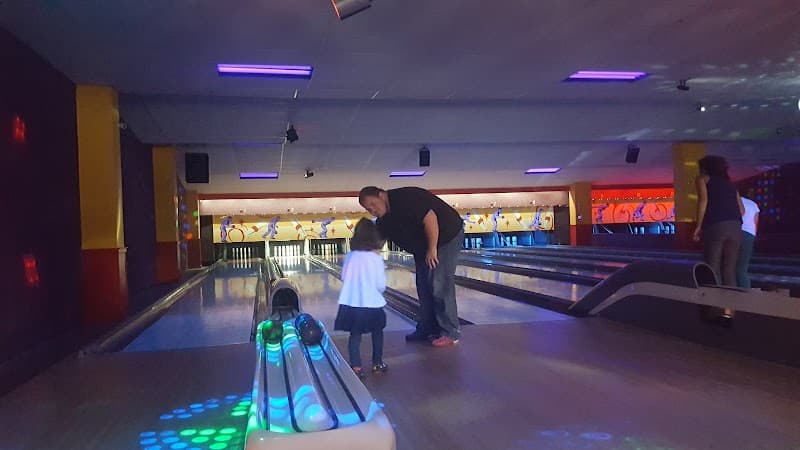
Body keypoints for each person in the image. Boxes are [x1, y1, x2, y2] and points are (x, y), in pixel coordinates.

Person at [359, 186, 464, 347]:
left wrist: (432, 249)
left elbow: (430, 219)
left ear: (381, 195)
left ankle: (450, 332)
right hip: (423, 247)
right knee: (423, 286)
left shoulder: (405, 198)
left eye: (373, 204)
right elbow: (377, 243)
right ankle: (427, 328)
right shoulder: (384, 221)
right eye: (368, 209)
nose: (372, 210)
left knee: (439, 283)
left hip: (446, 237)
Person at [334, 218, 388, 378]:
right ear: (375, 238)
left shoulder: (350, 256)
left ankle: (356, 366)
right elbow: (380, 284)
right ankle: (377, 363)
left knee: (355, 335)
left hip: (352, 304)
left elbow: (344, 276)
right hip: (373, 304)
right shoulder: (376, 258)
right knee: (377, 332)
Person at [692, 155, 744, 324]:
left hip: (715, 226)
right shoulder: (731, 185)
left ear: (705, 168)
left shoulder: (703, 179)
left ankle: (713, 310)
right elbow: (742, 210)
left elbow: (703, 202)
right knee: (729, 270)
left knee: (712, 269)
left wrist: (699, 226)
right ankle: (729, 314)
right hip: (736, 227)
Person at [736, 189, 760, 288]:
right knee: (742, 269)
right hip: (750, 234)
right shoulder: (755, 205)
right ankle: (746, 296)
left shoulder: (737, 200)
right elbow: (756, 223)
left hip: (737, 231)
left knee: (730, 267)